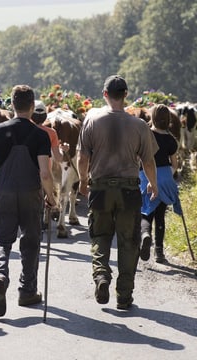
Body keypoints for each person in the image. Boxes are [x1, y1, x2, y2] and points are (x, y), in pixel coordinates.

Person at [77, 75, 158, 310]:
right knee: (128, 241)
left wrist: (83, 180)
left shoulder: (92, 121)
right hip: (129, 190)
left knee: (100, 237)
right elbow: (149, 161)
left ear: (104, 94)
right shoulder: (139, 125)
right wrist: (153, 184)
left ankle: (101, 276)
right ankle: (124, 295)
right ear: (126, 95)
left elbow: (83, 158)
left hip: (100, 188)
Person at [0, 85, 57, 317]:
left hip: (4, 192)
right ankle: (27, 291)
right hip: (31, 193)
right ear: (33, 107)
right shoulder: (40, 135)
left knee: (1, 241)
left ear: (12, 105)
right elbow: (45, 173)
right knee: (31, 241)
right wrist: (52, 198)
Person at [139, 104, 182, 264]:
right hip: (165, 178)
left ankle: (145, 235)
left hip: (145, 177)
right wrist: (166, 176)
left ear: (152, 118)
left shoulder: (146, 135)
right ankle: (159, 253)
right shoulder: (171, 140)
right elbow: (175, 164)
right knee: (160, 216)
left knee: (145, 212)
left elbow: (139, 159)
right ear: (169, 120)